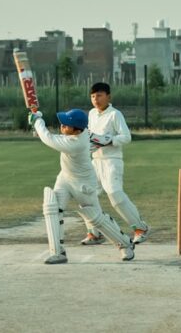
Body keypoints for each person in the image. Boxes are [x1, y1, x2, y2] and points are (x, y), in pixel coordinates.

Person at [29, 108, 135, 264]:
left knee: (95, 217)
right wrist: (36, 127)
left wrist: (38, 121)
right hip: (65, 178)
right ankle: (58, 252)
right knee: (53, 207)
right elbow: (53, 137)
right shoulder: (80, 133)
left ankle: (125, 244)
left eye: (66, 125)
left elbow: (49, 139)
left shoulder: (76, 143)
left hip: (83, 183)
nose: (62, 127)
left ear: (76, 129)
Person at [80, 82, 151, 246]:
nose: (95, 99)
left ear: (108, 96)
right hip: (95, 161)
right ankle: (94, 233)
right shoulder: (91, 114)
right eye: (92, 96)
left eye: (99, 95)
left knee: (115, 196)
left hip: (112, 161)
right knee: (86, 196)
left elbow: (126, 137)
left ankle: (141, 228)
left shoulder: (115, 114)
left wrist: (109, 140)